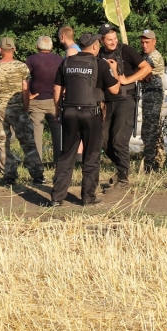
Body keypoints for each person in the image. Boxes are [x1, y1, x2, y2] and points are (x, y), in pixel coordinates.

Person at [50, 33, 120, 207]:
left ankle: (57, 197)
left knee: (66, 155)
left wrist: (58, 110)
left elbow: (57, 88)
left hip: (69, 112)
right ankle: (88, 197)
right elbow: (114, 90)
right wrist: (115, 70)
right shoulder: (100, 64)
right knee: (91, 155)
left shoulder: (66, 63)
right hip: (91, 112)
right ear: (95, 46)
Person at [0, 37, 46, 186]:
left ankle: (9, 176)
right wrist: (25, 107)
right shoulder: (21, 67)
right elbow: (25, 90)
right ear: (14, 49)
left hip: (0, 109)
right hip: (18, 109)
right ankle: (37, 175)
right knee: (28, 142)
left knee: (2, 143)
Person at [97, 23, 152, 187]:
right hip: (106, 102)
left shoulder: (125, 50)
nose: (113, 42)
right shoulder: (98, 54)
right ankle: (123, 167)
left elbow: (146, 68)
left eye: (114, 38)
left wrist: (127, 79)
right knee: (102, 139)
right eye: (109, 39)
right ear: (101, 40)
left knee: (119, 140)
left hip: (125, 99)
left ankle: (123, 179)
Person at [25, 35, 63, 163]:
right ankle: (58, 162)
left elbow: (23, 79)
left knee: (37, 134)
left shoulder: (31, 59)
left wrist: (28, 94)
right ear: (51, 47)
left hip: (36, 100)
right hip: (55, 100)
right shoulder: (59, 60)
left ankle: (37, 163)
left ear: (37, 46)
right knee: (57, 133)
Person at [139, 29, 166, 171]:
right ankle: (153, 161)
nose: (144, 45)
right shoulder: (144, 56)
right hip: (147, 95)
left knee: (152, 129)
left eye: (147, 42)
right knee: (147, 130)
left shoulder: (154, 57)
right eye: (142, 42)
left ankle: (154, 163)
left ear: (154, 42)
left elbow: (144, 73)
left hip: (155, 95)